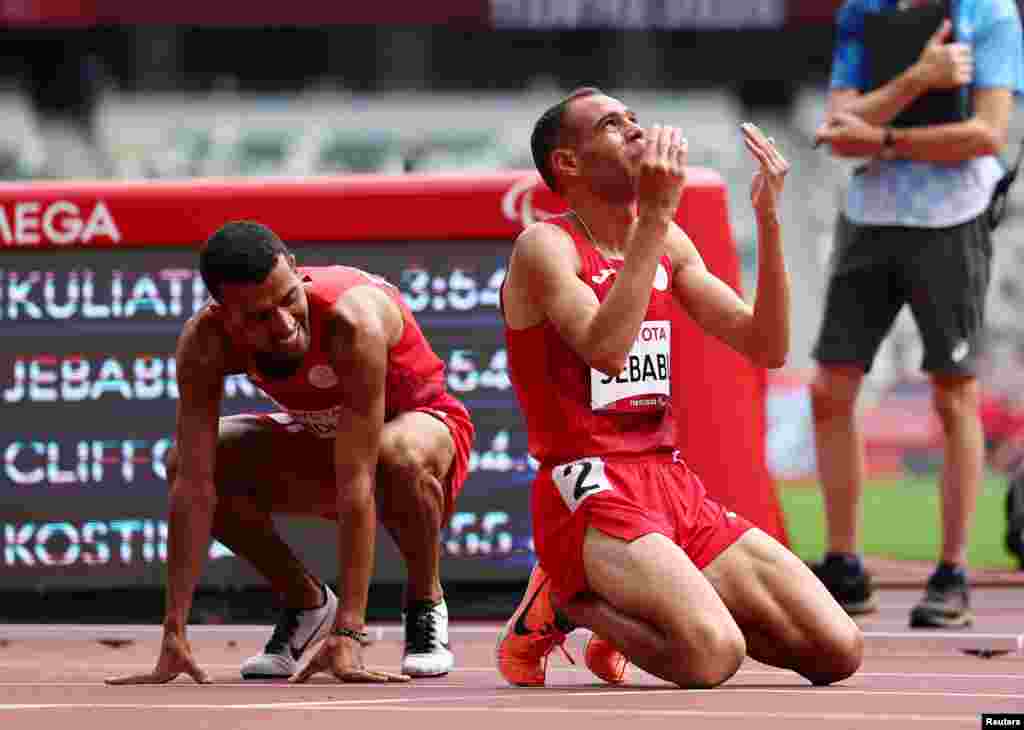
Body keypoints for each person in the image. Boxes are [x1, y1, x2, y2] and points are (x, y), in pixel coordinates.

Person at [494, 87, 863, 689]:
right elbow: (607, 351)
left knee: (837, 649)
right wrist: (658, 217)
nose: (638, 132)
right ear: (568, 163)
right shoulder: (545, 247)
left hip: (668, 481)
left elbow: (765, 346)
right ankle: (567, 600)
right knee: (713, 655)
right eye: (614, 126)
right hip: (589, 489)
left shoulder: (664, 241)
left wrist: (768, 220)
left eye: (637, 120)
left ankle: (646, 600)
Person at [106, 221, 474, 684]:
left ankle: (425, 602)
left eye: (287, 300)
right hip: (328, 437)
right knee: (188, 460)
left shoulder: (351, 322)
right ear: (224, 314)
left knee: (394, 453)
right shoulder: (206, 342)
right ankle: (306, 603)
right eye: (259, 316)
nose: (282, 325)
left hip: (423, 431)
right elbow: (193, 487)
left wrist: (351, 635)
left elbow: (355, 480)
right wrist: (174, 629)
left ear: (296, 273)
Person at [811, 0, 1023, 628]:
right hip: (868, 216)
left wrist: (880, 136)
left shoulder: (989, 14)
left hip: (953, 219)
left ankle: (952, 574)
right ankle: (844, 564)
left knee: (954, 393)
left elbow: (986, 134)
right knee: (829, 389)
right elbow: (834, 131)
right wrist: (919, 80)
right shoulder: (862, 12)